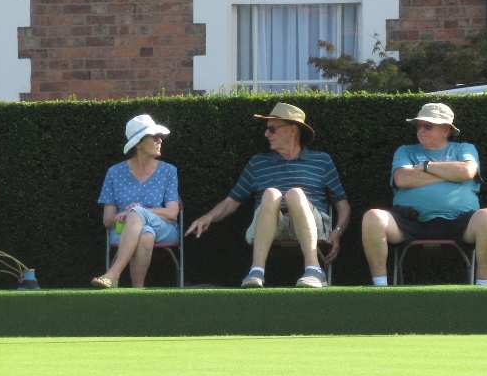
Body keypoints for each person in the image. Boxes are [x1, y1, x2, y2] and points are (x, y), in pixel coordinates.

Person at [185, 102, 350, 288]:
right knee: (271, 193)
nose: (266, 134)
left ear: (293, 131)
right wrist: (207, 217)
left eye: (272, 129)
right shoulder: (258, 163)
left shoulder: (322, 161)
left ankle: (314, 270)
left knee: (295, 194)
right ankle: (256, 271)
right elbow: (231, 202)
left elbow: (342, 205)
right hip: (270, 223)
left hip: (311, 223)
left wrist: (337, 231)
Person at [361, 102, 487, 286]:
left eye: (428, 126)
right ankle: (380, 288)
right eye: (419, 125)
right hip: (410, 221)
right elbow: (402, 178)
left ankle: (484, 287)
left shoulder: (464, 149)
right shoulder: (406, 150)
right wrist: (450, 175)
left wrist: (426, 167)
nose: (421, 130)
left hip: (461, 221)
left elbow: (467, 172)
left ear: (446, 130)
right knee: (372, 216)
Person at [91, 114, 180, 288]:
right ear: (138, 143)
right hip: (123, 230)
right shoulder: (114, 173)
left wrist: (136, 212)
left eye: (160, 137)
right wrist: (128, 217)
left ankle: (113, 274)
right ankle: (137, 291)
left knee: (137, 213)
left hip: (164, 228)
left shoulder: (169, 171)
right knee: (146, 234)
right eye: (154, 137)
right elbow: (108, 222)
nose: (160, 140)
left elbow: (172, 214)